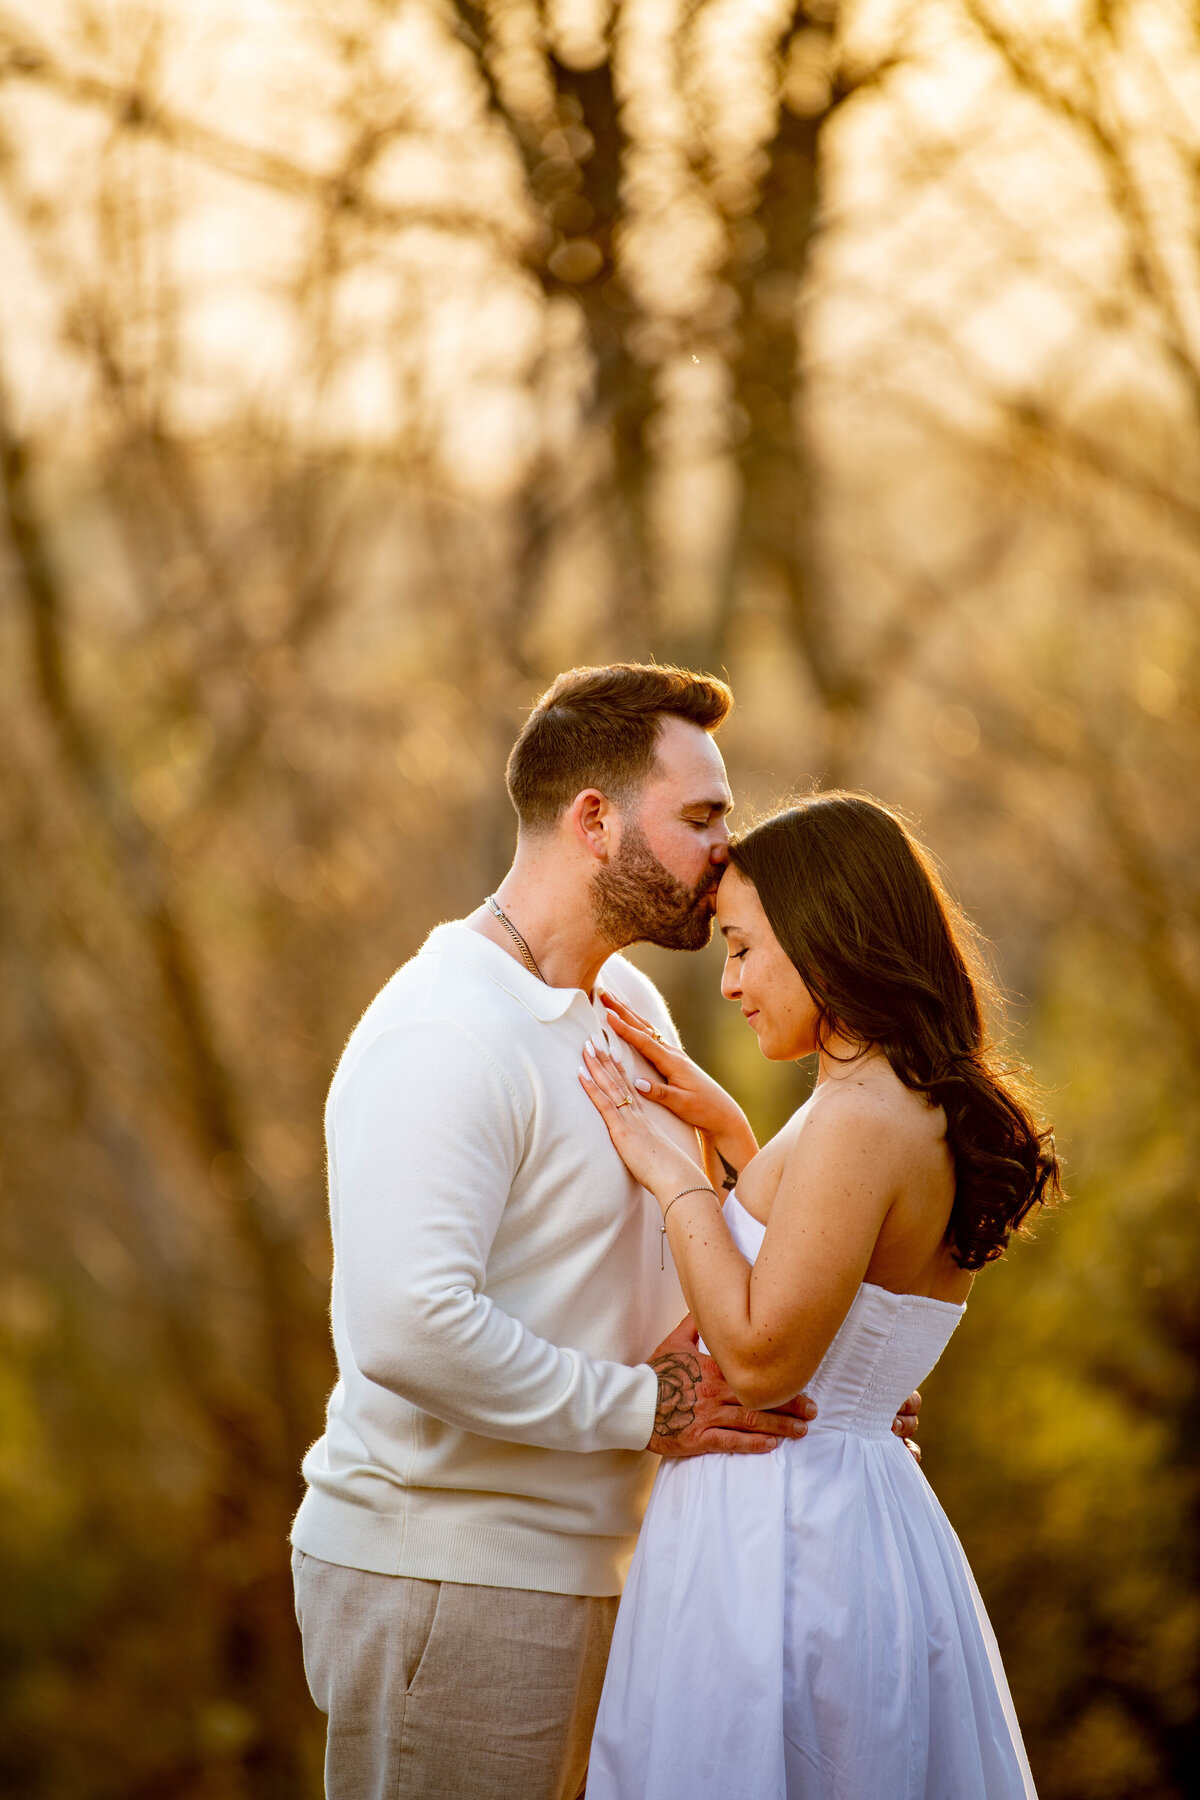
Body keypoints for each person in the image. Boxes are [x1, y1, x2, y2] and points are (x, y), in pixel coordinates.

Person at [290, 665, 923, 1800]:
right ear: (595, 820)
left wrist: (806, 1360)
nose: (726, 851)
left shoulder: (628, 1008)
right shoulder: (444, 1030)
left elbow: (666, 1262)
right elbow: (406, 1326)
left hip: (626, 1572)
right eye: (700, 818)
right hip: (455, 1581)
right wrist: (654, 1410)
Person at [580, 793, 1060, 1800]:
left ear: (826, 939)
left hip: (786, 1542)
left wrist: (674, 1177)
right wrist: (739, 1151)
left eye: (747, 950)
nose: (732, 983)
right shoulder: (892, 1098)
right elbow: (832, 1273)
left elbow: (761, 1362)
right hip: (843, 1513)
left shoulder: (859, 1115)